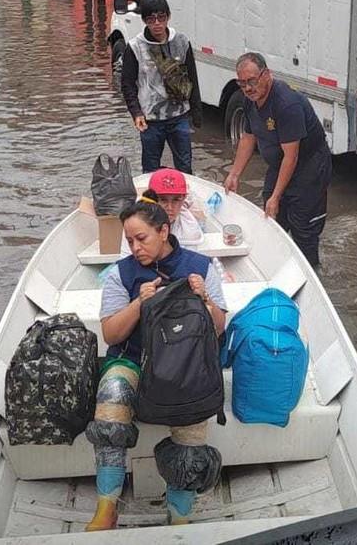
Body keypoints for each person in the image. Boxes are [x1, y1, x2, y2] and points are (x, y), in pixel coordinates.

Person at [84, 192, 228, 530]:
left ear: (164, 231)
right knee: (113, 392)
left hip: (187, 363)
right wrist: (139, 303)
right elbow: (111, 335)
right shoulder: (122, 274)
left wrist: (204, 298)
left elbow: (219, 327)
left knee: (192, 420)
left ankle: (179, 512)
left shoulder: (200, 267)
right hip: (133, 360)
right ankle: (107, 506)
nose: (135, 248)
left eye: (141, 238)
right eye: (130, 241)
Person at [223, 52, 332, 268]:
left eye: (252, 81)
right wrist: (234, 174)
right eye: (242, 83)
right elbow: (248, 136)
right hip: (279, 162)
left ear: (266, 75)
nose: (248, 88)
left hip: (309, 166)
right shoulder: (249, 99)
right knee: (271, 218)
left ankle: (312, 273)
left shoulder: (286, 104)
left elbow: (292, 156)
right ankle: (278, 266)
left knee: (303, 228)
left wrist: (277, 195)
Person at [119, 0, 201, 174]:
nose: (157, 23)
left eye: (161, 17)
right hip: (151, 120)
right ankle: (151, 202)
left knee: (185, 166)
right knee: (150, 169)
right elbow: (127, 84)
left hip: (179, 116)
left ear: (168, 17)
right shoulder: (134, 47)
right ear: (144, 20)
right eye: (151, 19)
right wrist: (136, 113)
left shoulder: (181, 42)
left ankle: (183, 199)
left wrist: (196, 113)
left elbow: (192, 77)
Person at [120, 167, 204, 255]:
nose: (170, 207)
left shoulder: (190, 227)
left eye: (176, 200)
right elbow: (126, 258)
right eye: (163, 200)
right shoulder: (135, 221)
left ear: (183, 199)